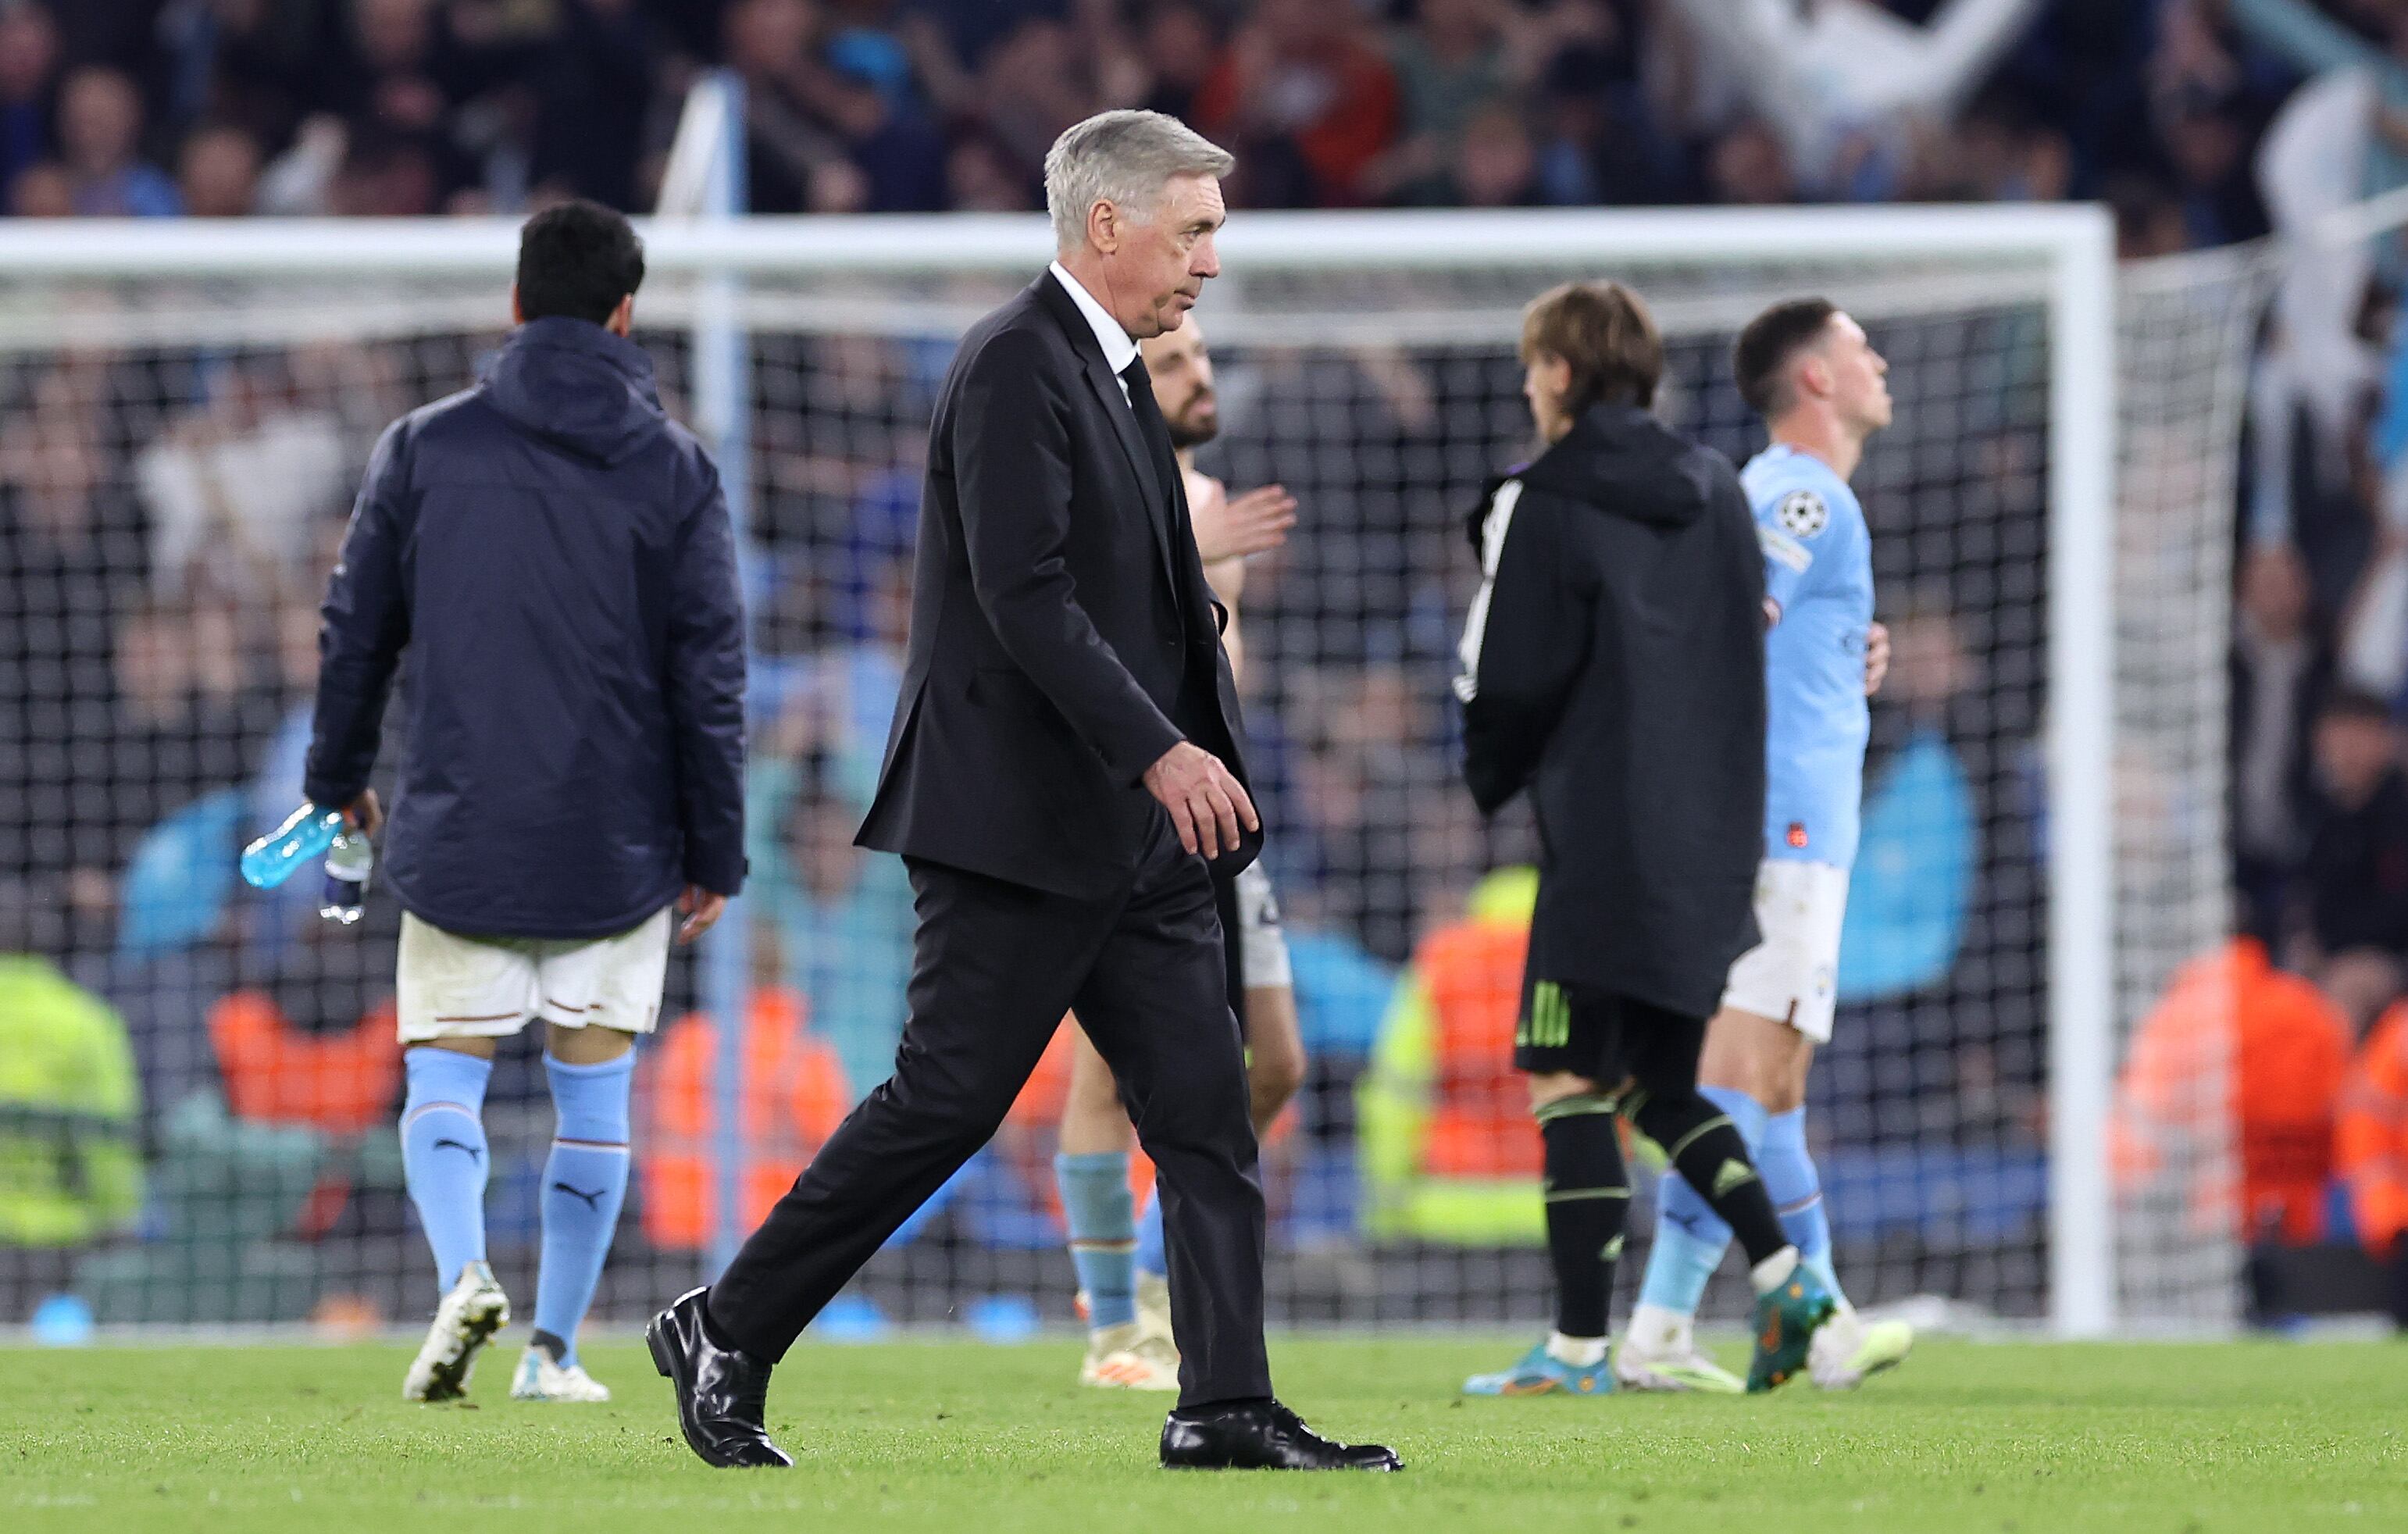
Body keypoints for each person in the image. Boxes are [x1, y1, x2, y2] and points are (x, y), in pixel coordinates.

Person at [646, 109, 1397, 1474]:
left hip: (1137, 834)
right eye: (1196, 230)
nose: (1212, 263)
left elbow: (1142, 599)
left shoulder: (1109, 375)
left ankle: (1224, 1403)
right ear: (1106, 225)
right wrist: (1161, 748)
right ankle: (729, 1324)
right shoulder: (1011, 365)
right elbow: (1024, 594)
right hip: (1019, 821)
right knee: (946, 1101)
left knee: (1206, 1118)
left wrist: (1199, 747)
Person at [302, 201, 744, 1404]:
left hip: (462, 826)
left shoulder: (423, 447)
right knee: (590, 1091)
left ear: (514, 306)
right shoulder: (677, 467)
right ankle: (552, 1353)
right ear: (626, 314)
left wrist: (335, 782)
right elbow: (710, 673)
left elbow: (356, 636)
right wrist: (718, 849)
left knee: (446, 1072)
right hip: (621, 839)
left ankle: (460, 1280)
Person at [1454, 279, 1837, 1398]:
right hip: (1714, 836)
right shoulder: (1716, 489)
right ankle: (1786, 1273)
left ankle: (1576, 1352)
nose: (1530, 387)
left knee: (1570, 1080)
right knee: (1659, 1090)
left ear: (1562, 373)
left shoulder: (1543, 495)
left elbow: (1509, 669)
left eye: (1535, 367)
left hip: (1605, 838)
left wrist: (1491, 766)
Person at [1621, 298, 1915, 1393]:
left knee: (1765, 1087)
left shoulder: (1791, 495)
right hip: (1776, 825)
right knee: (1749, 1079)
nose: (1878, 361)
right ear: (1818, 381)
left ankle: (1662, 1328)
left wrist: (1848, 651)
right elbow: (1733, 613)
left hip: (1779, 819)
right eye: (1858, 348)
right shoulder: (1800, 488)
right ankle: (1822, 1317)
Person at [1054, 315, 1304, 1392]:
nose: (1196, 376)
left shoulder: (1212, 504)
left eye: (1200, 360)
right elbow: (1076, 622)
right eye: (1171, 364)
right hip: (1134, 809)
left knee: (1277, 1062)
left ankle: (1153, 1270)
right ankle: (1116, 1325)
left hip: (1227, 816)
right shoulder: (1108, 499)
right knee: (1111, 1070)